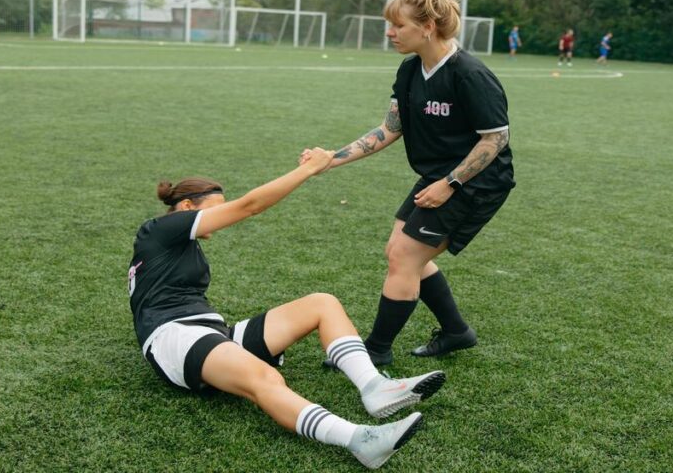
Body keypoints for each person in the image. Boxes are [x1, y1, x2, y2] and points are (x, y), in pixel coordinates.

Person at [129, 150, 447, 469]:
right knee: (264, 377)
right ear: (186, 207)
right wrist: (308, 170)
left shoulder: (178, 243)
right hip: (173, 338)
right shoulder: (159, 229)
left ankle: (374, 387)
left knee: (322, 303)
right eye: (217, 207)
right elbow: (249, 206)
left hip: (213, 333)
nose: (224, 212)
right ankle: (361, 440)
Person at [304, 0, 514, 367]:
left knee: (404, 256)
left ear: (428, 27)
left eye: (398, 25)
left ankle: (376, 351)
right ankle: (456, 332)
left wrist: (450, 183)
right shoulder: (410, 70)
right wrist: (332, 157)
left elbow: (495, 139)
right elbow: (390, 129)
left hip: (477, 182)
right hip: (440, 177)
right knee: (401, 253)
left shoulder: (470, 75)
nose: (390, 33)